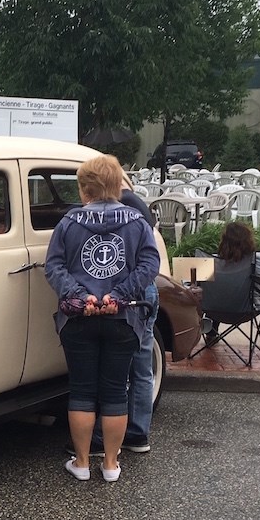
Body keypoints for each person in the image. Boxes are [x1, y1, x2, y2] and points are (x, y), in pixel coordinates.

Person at [45, 155, 160, 483]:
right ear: (118, 187)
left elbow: (53, 266)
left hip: (78, 319)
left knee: (81, 390)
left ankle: (81, 463)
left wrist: (81, 297)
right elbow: (149, 265)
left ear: (84, 190)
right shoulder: (137, 221)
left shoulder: (69, 223)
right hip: (122, 317)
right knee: (114, 391)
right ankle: (111, 464)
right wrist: (119, 295)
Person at [91, 174, 158, 454]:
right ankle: (138, 433)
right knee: (142, 367)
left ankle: (105, 438)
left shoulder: (119, 208)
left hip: (128, 291)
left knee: (112, 367)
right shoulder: (135, 205)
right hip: (146, 289)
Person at [201, 221, 260, 347]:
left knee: (217, 291)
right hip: (247, 310)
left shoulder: (211, 261)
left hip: (213, 310)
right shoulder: (259, 260)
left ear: (223, 241)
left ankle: (211, 334)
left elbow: (195, 285)